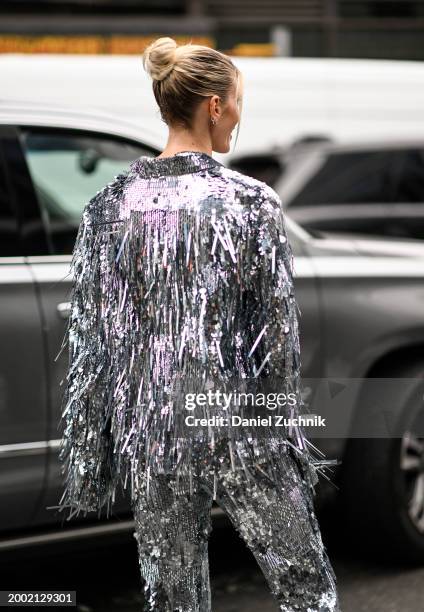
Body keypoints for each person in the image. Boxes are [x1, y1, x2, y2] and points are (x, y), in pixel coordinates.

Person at [51, 37, 341, 611]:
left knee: (174, 597)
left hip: (153, 429)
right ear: (213, 106)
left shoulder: (107, 206)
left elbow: (91, 343)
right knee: (306, 587)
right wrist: (279, 431)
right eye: (237, 100)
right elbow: (275, 337)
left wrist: (94, 448)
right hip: (241, 424)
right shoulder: (250, 202)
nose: (238, 113)